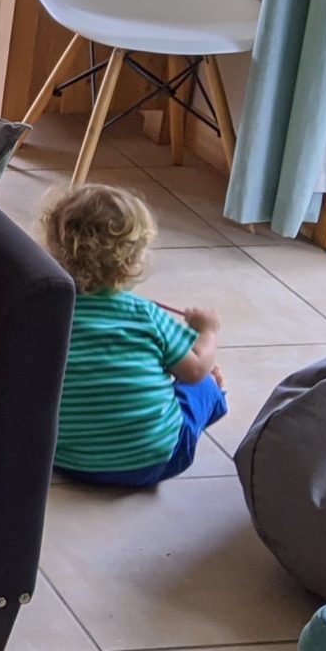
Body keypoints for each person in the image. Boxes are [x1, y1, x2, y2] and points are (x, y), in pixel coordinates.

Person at [39, 183, 225, 487]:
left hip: (64, 461)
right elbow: (194, 371)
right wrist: (209, 331)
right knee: (203, 382)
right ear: (131, 263)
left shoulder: (47, 313)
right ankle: (210, 393)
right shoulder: (145, 314)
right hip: (156, 461)